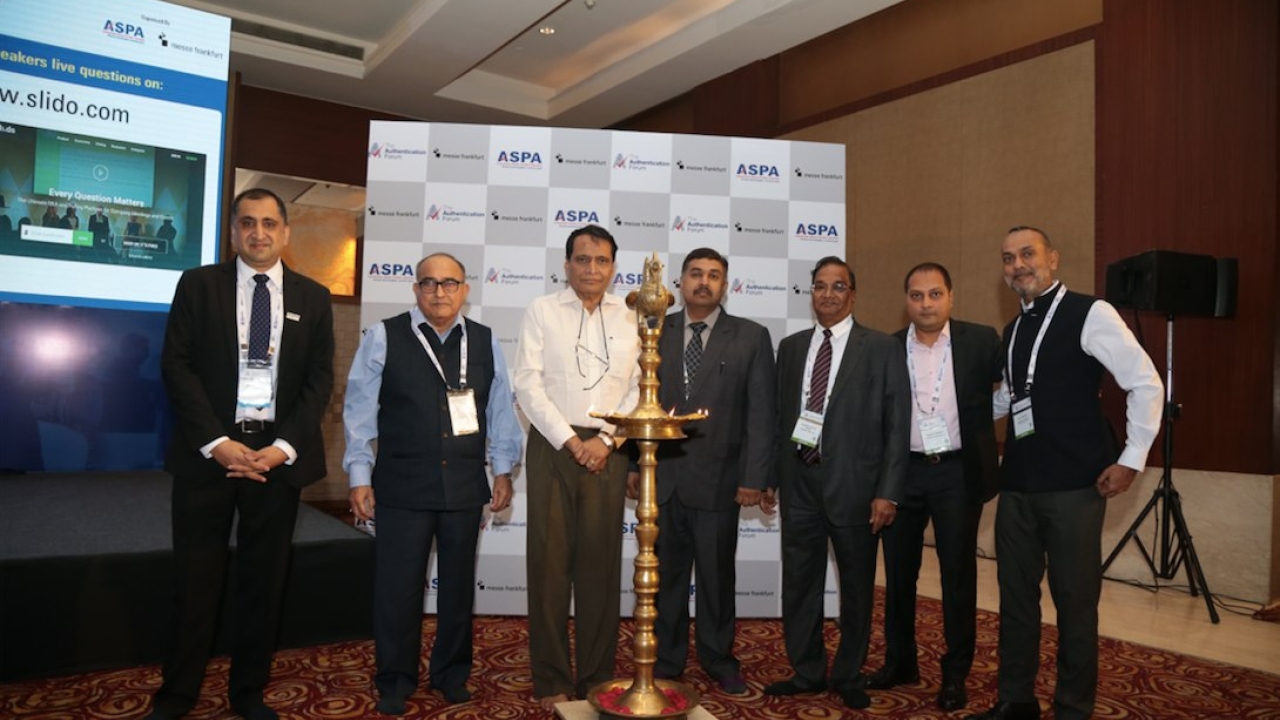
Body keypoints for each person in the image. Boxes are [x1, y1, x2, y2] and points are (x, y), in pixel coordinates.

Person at [145, 188, 334, 720]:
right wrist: (218, 443)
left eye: (270, 224)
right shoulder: (198, 285)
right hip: (208, 455)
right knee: (195, 580)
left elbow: (319, 384)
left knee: (263, 581)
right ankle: (178, 692)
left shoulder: (313, 297)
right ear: (232, 231)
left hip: (277, 462)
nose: (259, 233)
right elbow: (176, 367)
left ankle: (248, 691)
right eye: (247, 223)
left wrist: (281, 449)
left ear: (286, 233)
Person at [965, 226, 1162, 720]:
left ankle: (1073, 708)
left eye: (1027, 254)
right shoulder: (1012, 330)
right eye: (1008, 258)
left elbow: (1145, 382)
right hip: (1018, 487)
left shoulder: (1091, 312)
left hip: (1076, 486)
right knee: (1014, 601)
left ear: (1052, 259)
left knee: (1075, 605)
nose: (1017, 265)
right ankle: (1016, 700)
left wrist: (1131, 458)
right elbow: (1013, 397)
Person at [343, 252, 523, 714]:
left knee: (459, 588)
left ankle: (451, 674)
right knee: (397, 589)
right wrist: (359, 474)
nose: (439, 293)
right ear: (415, 289)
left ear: (465, 289)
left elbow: (500, 408)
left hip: (464, 486)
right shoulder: (384, 336)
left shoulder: (484, 341)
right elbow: (359, 409)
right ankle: (395, 679)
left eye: (449, 284)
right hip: (402, 486)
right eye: (429, 283)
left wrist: (502, 469)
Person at [766, 256, 910, 709]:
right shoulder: (790, 348)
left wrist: (888, 490)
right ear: (810, 293)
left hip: (857, 487)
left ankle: (848, 674)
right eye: (820, 286)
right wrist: (770, 478)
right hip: (800, 484)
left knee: (856, 587)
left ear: (853, 294)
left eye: (838, 286)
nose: (828, 294)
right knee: (799, 583)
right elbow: (776, 420)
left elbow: (896, 423)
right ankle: (807, 670)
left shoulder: (883, 347)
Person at [631, 247, 776, 695]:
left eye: (714, 275)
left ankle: (719, 657)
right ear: (680, 281)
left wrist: (754, 478)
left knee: (716, 578)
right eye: (696, 273)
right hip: (665, 478)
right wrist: (635, 465)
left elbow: (761, 413)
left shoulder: (751, 336)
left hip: (720, 481)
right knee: (668, 577)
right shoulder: (654, 329)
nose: (703, 282)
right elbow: (636, 403)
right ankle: (669, 659)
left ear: (725, 285)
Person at [513, 224, 641, 709]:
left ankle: (595, 678)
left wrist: (607, 440)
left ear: (613, 266)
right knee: (547, 568)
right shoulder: (542, 311)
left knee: (600, 569)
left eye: (602, 260)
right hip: (553, 445)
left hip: (610, 451)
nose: (592, 269)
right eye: (583, 260)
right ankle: (549, 679)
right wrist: (571, 441)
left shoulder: (633, 318)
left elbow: (640, 386)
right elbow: (528, 382)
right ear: (566, 265)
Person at [866, 262, 1002, 711]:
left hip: (957, 474)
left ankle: (955, 674)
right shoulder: (885, 348)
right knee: (899, 575)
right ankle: (900, 662)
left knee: (957, 576)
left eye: (935, 294)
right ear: (906, 301)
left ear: (951, 296)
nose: (926, 303)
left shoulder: (981, 341)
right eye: (917, 295)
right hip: (901, 473)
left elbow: (1007, 392)